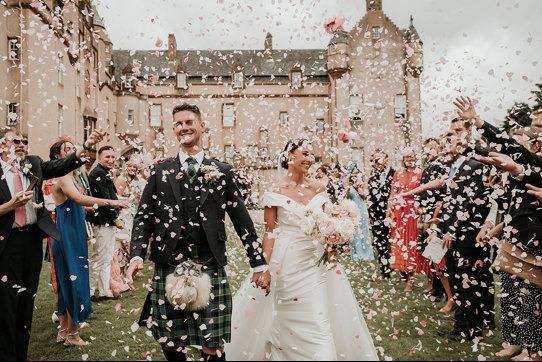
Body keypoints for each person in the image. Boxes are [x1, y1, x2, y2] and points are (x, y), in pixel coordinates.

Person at [125, 103, 270, 361]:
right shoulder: (160, 171)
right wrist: (136, 255)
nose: (184, 128)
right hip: (169, 260)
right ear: (173, 130)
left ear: (202, 126)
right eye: (178, 124)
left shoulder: (222, 171)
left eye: (189, 122)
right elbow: (144, 216)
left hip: (209, 259)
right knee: (171, 341)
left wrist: (259, 263)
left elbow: (241, 219)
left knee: (212, 342)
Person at [226, 138, 378, 360]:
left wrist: (336, 239)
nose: (310, 159)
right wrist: (264, 267)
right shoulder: (274, 191)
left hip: (316, 265)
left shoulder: (319, 187)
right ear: (289, 156)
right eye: (305, 154)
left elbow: (328, 223)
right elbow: (270, 232)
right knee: (283, 319)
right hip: (285, 264)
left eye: (311, 155)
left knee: (319, 322)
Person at [0, 126, 105, 361]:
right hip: (7, 244)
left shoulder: (32, 163)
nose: (20, 143)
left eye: (22, 139)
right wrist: (10, 205)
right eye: (14, 140)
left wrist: (86, 147)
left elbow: (62, 165)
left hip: (32, 240)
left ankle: (22, 354)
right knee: (7, 303)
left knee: (27, 299)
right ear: (1, 145)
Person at [455, 96, 542, 357]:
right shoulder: (532, 157)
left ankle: (535, 349)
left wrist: (518, 170)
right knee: (517, 294)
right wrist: (479, 122)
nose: (536, 128)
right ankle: (522, 342)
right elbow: (513, 149)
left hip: (535, 235)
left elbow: (526, 168)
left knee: (534, 297)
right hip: (519, 235)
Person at [49, 140, 129, 346]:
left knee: (68, 280)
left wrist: (86, 209)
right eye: (68, 150)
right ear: (57, 158)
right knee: (74, 283)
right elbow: (76, 198)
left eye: (74, 148)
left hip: (73, 233)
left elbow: (71, 203)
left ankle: (64, 331)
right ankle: (73, 335)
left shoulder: (74, 177)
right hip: (67, 237)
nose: (74, 152)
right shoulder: (64, 176)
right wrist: (112, 202)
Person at [432, 123, 496, 341]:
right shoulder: (454, 169)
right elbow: (449, 204)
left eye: (447, 148)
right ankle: (460, 326)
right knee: (458, 284)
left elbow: (474, 203)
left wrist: (454, 231)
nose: (444, 152)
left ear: (460, 146)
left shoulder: (475, 166)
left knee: (469, 285)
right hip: (450, 237)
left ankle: (472, 330)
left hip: (467, 237)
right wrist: (439, 229)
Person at [386, 148, 430, 292]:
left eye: (412, 157)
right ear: (403, 160)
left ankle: (430, 281)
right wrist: (388, 214)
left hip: (415, 213)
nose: (410, 160)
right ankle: (410, 281)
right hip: (400, 213)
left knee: (419, 245)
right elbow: (392, 195)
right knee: (404, 245)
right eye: (407, 158)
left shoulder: (422, 173)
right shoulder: (398, 174)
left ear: (416, 158)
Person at [87, 145, 125, 302]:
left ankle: (104, 291)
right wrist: (116, 218)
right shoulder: (98, 174)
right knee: (99, 257)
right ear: (100, 158)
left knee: (107, 257)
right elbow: (105, 199)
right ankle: (89, 292)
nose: (111, 159)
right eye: (107, 157)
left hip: (107, 222)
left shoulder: (104, 173)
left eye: (113, 157)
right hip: (102, 222)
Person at [110, 160, 142, 294]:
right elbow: (118, 197)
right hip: (124, 212)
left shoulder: (135, 180)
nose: (131, 169)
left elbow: (138, 196)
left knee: (129, 242)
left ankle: (126, 272)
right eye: (130, 166)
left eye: (134, 167)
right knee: (123, 242)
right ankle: (120, 273)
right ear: (125, 167)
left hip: (132, 212)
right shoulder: (121, 180)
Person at [367, 150, 395, 278]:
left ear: (386, 159)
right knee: (380, 243)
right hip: (377, 215)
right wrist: (370, 215)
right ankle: (385, 271)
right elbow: (370, 197)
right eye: (375, 160)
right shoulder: (372, 176)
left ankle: (402, 272)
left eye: (380, 159)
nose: (377, 163)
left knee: (395, 242)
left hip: (393, 213)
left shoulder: (394, 173)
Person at [347, 164, 374, 262]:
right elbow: (347, 198)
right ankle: (356, 254)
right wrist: (349, 188)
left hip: (362, 210)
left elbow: (365, 196)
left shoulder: (364, 183)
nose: (355, 175)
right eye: (353, 173)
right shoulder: (349, 184)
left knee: (364, 232)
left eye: (356, 173)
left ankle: (366, 254)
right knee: (355, 233)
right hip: (353, 211)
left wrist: (358, 189)